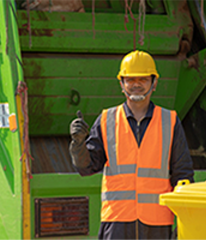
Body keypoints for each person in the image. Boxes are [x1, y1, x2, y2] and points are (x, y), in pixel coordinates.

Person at [69, 50, 194, 240]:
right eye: (130, 79)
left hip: (157, 223)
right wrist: (78, 144)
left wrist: (185, 221)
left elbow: (183, 175)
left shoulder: (169, 121)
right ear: (122, 84)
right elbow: (86, 167)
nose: (136, 84)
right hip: (117, 221)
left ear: (154, 83)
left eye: (143, 79)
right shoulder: (106, 120)